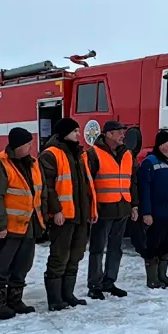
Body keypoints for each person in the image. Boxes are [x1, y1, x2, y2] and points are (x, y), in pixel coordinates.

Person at [39, 118, 97, 311]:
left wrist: (91, 210)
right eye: (75, 131)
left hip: (80, 215)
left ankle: (68, 295)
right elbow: (48, 188)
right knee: (59, 256)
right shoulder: (50, 154)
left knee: (75, 256)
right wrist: (56, 211)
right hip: (63, 216)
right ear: (64, 133)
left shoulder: (79, 154)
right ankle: (55, 300)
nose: (79, 134)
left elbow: (86, 185)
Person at [0, 127, 42, 319]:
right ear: (18, 146)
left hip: (28, 223)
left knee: (23, 265)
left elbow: (38, 192)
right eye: (28, 144)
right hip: (9, 227)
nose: (30, 148)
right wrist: (1, 225)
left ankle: (15, 300)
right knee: (3, 266)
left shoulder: (32, 163)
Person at [86, 120, 138, 298]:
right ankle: (95, 284)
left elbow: (133, 182)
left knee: (116, 248)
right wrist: (92, 208)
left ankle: (109, 281)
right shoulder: (93, 153)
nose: (123, 135)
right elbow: (88, 184)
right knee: (97, 248)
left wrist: (134, 205)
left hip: (122, 208)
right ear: (108, 134)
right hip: (103, 209)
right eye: (119, 132)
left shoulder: (127, 154)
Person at [138, 130, 168, 287]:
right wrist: (146, 212)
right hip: (157, 214)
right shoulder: (149, 163)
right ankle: (152, 279)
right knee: (154, 245)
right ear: (161, 145)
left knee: (167, 244)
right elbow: (144, 189)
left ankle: (162, 275)